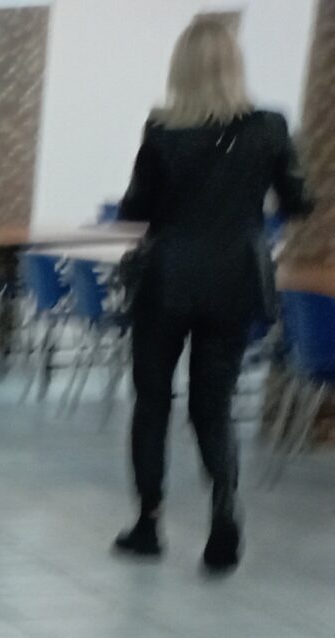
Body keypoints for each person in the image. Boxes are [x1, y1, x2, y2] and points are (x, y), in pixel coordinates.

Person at [113, 18, 314, 572]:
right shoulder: (270, 126)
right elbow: (298, 202)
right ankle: (224, 510)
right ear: (234, 64)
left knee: (153, 400)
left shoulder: (161, 129)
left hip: (166, 281)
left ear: (180, 68)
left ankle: (148, 523)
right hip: (233, 283)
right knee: (213, 404)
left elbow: (136, 208)